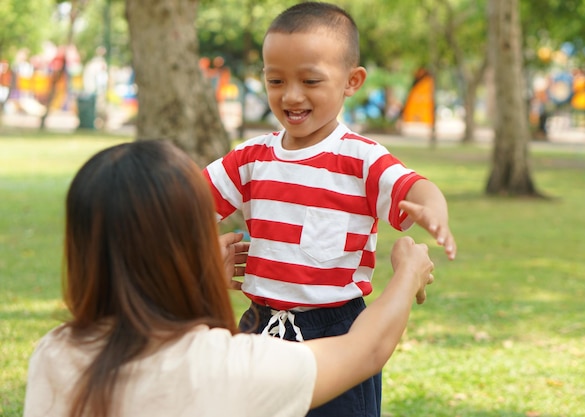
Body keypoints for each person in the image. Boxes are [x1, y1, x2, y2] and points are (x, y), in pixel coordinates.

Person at [22, 139, 435, 417]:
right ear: (189, 247)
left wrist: (198, 288)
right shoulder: (231, 366)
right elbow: (364, 350)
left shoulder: (54, 353)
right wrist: (408, 272)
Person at [203, 2, 457, 416]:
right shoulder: (250, 158)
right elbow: (186, 205)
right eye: (276, 80)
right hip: (258, 326)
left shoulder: (361, 159)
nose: (291, 95)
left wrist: (433, 210)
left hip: (337, 331)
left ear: (351, 81)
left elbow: (416, 186)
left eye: (310, 80)